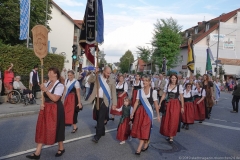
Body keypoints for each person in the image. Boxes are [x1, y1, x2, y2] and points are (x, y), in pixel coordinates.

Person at [26, 67, 65, 159]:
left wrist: (45, 90)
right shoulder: (48, 83)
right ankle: (37, 153)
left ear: (55, 74)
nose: (48, 74)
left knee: (57, 128)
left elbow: (55, 98)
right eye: (48, 72)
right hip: (46, 108)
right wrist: (42, 103)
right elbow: (44, 97)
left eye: (50, 72)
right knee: (42, 128)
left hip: (56, 109)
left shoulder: (60, 85)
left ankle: (61, 148)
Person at [130, 75, 160, 155]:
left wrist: (158, 115)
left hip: (148, 113)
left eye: (146, 81)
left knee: (145, 128)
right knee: (141, 128)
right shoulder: (139, 91)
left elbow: (156, 104)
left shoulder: (153, 92)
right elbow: (136, 102)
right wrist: (132, 113)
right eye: (144, 80)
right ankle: (146, 143)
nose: (144, 82)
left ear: (150, 82)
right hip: (140, 112)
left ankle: (139, 148)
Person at [88, 66, 117, 143]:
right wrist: (94, 72)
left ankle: (97, 136)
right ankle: (102, 131)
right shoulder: (97, 77)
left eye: (110, 73)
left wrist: (114, 103)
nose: (109, 74)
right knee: (97, 117)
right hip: (97, 99)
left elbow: (114, 92)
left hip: (105, 101)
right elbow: (89, 80)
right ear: (104, 71)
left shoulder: (112, 80)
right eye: (107, 73)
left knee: (101, 118)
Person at [159, 74, 184, 144]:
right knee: (167, 118)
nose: (173, 79)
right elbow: (164, 95)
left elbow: (181, 97)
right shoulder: (167, 86)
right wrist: (160, 103)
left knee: (173, 119)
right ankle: (168, 133)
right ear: (170, 79)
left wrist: (182, 106)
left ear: (176, 79)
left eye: (174, 78)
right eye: (172, 78)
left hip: (175, 104)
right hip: (168, 104)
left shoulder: (179, 87)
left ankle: (171, 136)